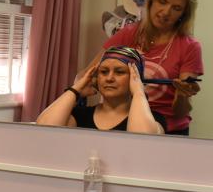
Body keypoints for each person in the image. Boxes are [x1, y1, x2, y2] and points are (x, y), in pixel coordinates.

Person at [103, 0, 202, 135]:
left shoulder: (190, 47)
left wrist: (183, 95)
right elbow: (89, 74)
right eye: (162, 1)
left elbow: (180, 111)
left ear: (183, 14)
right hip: (126, 124)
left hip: (170, 131)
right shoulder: (128, 33)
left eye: (176, 8)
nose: (165, 12)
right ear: (152, 0)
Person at [36, 47, 165, 133]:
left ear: (135, 78)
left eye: (119, 72)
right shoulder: (80, 115)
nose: (109, 78)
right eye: (103, 72)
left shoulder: (154, 119)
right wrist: (76, 89)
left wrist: (138, 91)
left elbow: (142, 141)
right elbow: (43, 130)